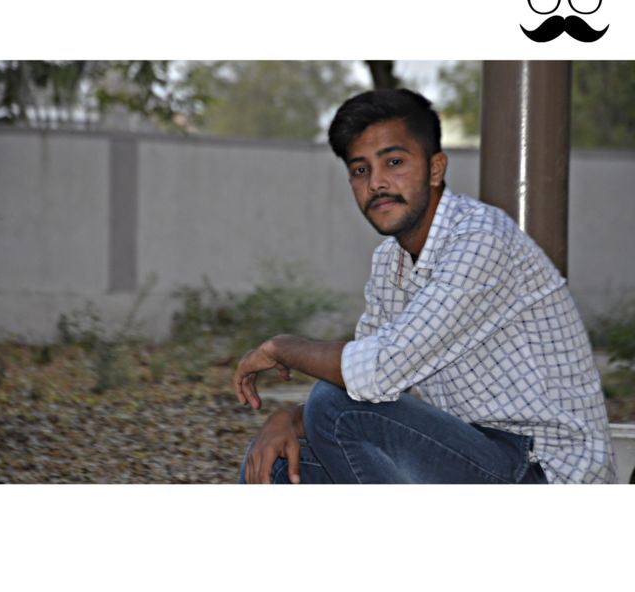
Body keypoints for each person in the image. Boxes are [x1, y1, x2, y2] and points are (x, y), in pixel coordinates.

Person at [233, 88, 616, 484]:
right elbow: (365, 384)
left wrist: (281, 348)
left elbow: (373, 375)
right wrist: (289, 420)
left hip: (544, 472)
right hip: (476, 454)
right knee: (279, 467)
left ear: (435, 169)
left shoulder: (481, 239)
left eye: (394, 162)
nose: (376, 183)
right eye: (360, 170)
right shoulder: (391, 261)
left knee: (335, 406)